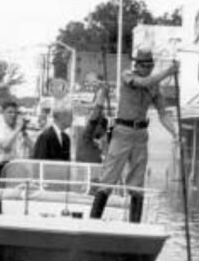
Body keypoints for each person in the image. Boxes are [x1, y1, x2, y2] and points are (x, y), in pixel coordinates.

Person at [89, 48, 178, 223]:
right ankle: (94, 220)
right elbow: (143, 83)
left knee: (137, 182)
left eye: (151, 65)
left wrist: (175, 133)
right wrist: (168, 71)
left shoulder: (154, 86)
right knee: (109, 176)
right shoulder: (128, 75)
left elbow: (163, 112)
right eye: (146, 65)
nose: (149, 68)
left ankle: (135, 224)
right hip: (123, 131)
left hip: (141, 134)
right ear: (138, 65)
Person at [0, 100, 32, 213]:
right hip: (0, 168)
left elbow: (33, 149)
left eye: (15, 113)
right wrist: (17, 130)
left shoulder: (19, 131)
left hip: (17, 168)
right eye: (10, 112)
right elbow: (5, 146)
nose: (13, 115)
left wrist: (24, 133)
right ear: (3, 114)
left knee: (20, 197)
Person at [76, 89, 109, 164]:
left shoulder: (96, 144)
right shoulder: (86, 136)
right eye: (103, 132)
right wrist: (101, 96)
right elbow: (95, 117)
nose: (103, 134)